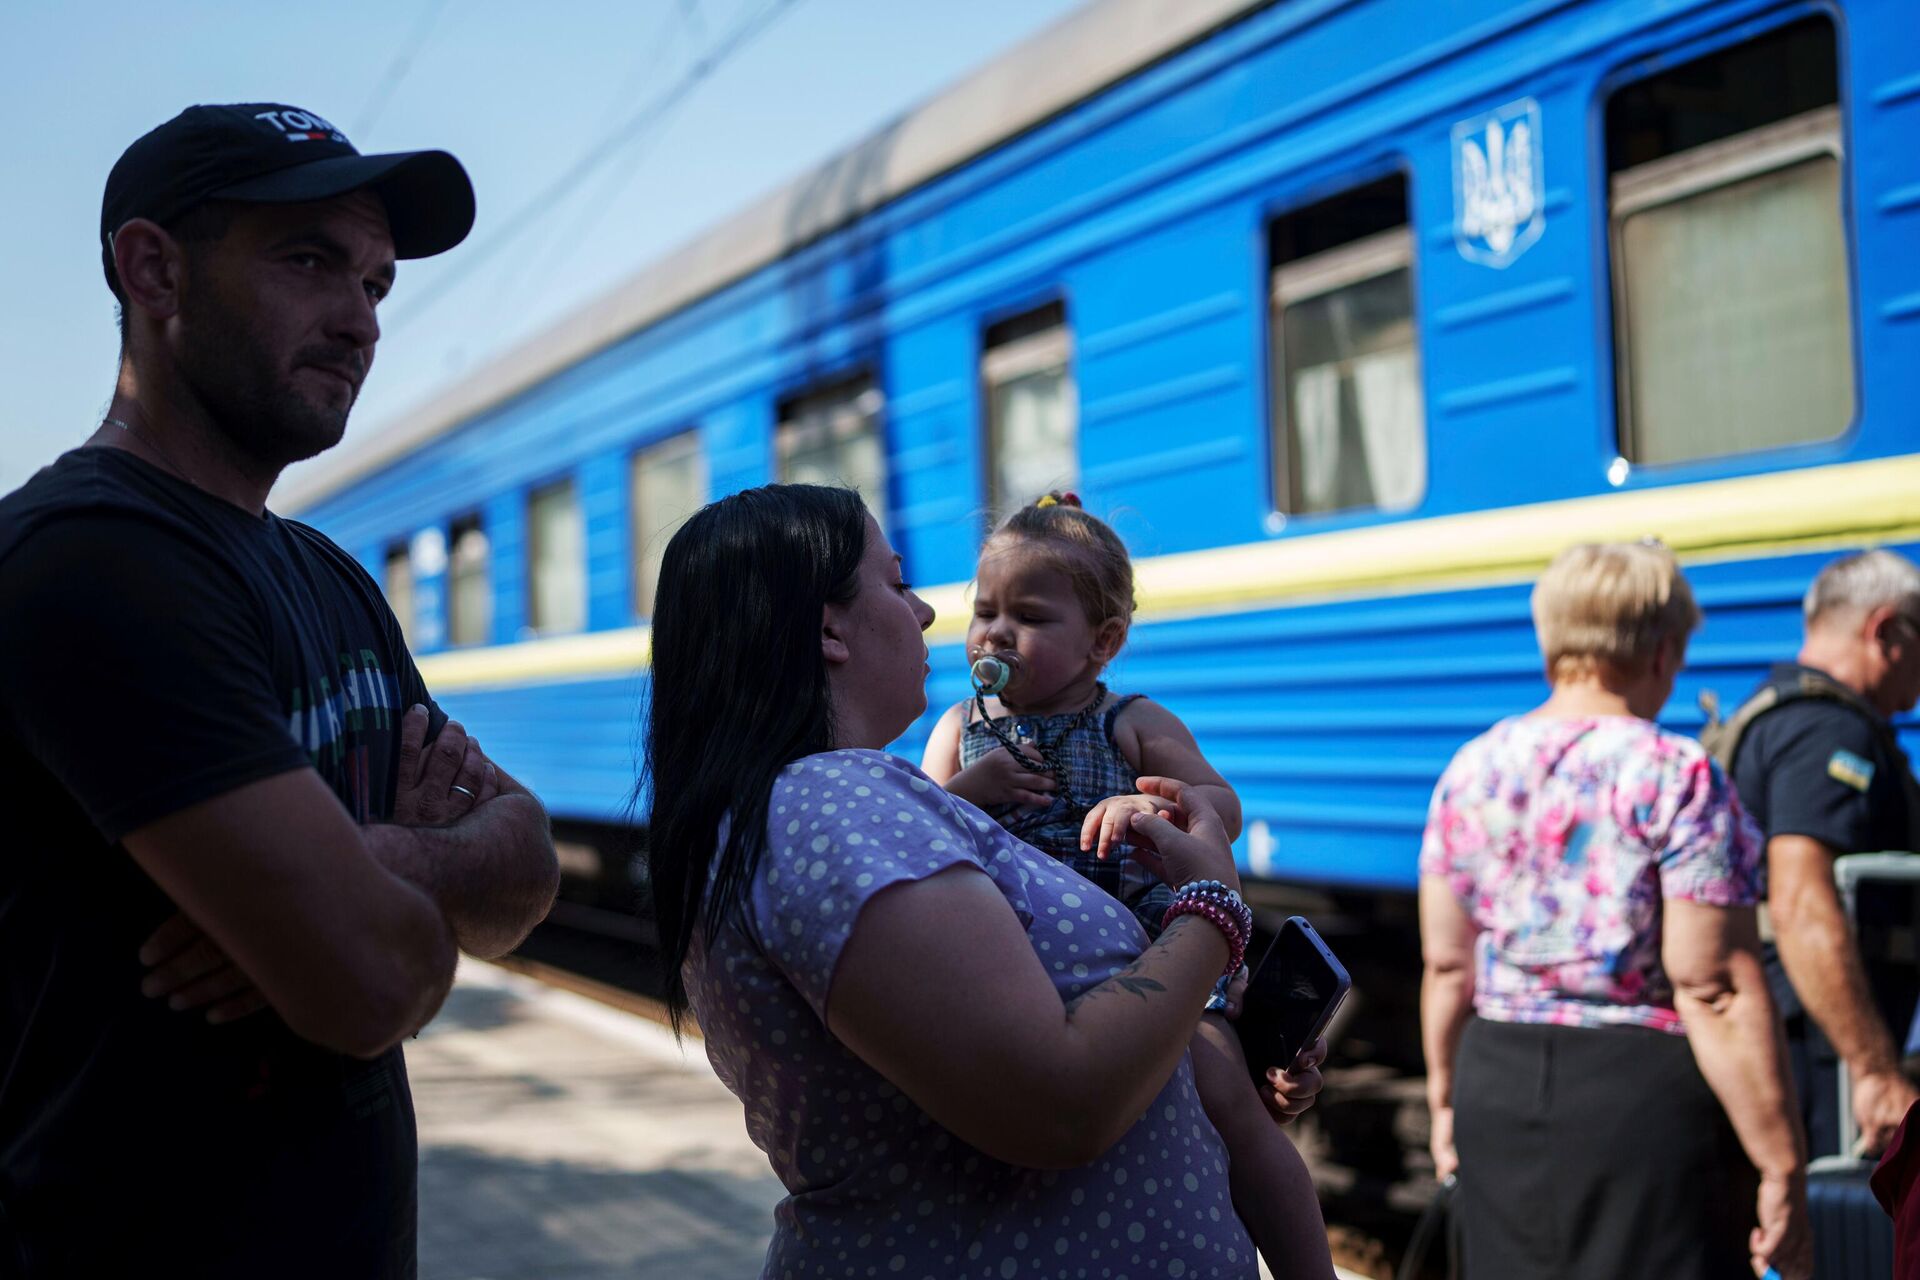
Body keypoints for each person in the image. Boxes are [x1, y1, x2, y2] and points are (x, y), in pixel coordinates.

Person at [0, 103, 559, 1278]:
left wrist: (382, 866)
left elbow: (529, 870)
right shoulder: (86, 560)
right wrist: (386, 891)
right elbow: (376, 979)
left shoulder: (329, 578)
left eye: (375, 282)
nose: (358, 318)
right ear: (154, 270)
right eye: (310, 261)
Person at [646, 483, 1335, 1279]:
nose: (930, 616)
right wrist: (1213, 910)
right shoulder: (835, 801)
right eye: (898, 583)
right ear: (829, 628)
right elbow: (1061, 1100)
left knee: (1242, 1114)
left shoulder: (818, 804)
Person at [918, 491, 1328, 1273]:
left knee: (1228, 1098)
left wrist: (1152, 801)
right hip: (1010, 962)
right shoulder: (957, 729)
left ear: (1102, 642)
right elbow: (917, 830)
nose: (995, 633)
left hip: (1150, 958)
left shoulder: (1133, 722)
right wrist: (973, 791)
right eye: (985, 610)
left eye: (1030, 617)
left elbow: (1225, 806)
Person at [1419, 541, 1811, 1280]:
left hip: (1496, 1077)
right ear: (1662, 650)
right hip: (1640, 1099)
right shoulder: (1677, 773)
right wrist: (1781, 1161)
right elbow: (1714, 986)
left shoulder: (1472, 769)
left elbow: (1446, 965)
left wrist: (1446, 1101)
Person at [1709, 549, 1920, 1158]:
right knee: (1841, 1234)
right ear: (1884, 632)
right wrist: (1875, 1071)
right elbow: (1802, 902)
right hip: (1825, 1049)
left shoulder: (1777, 709)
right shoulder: (1830, 732)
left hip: (1803, 1029)